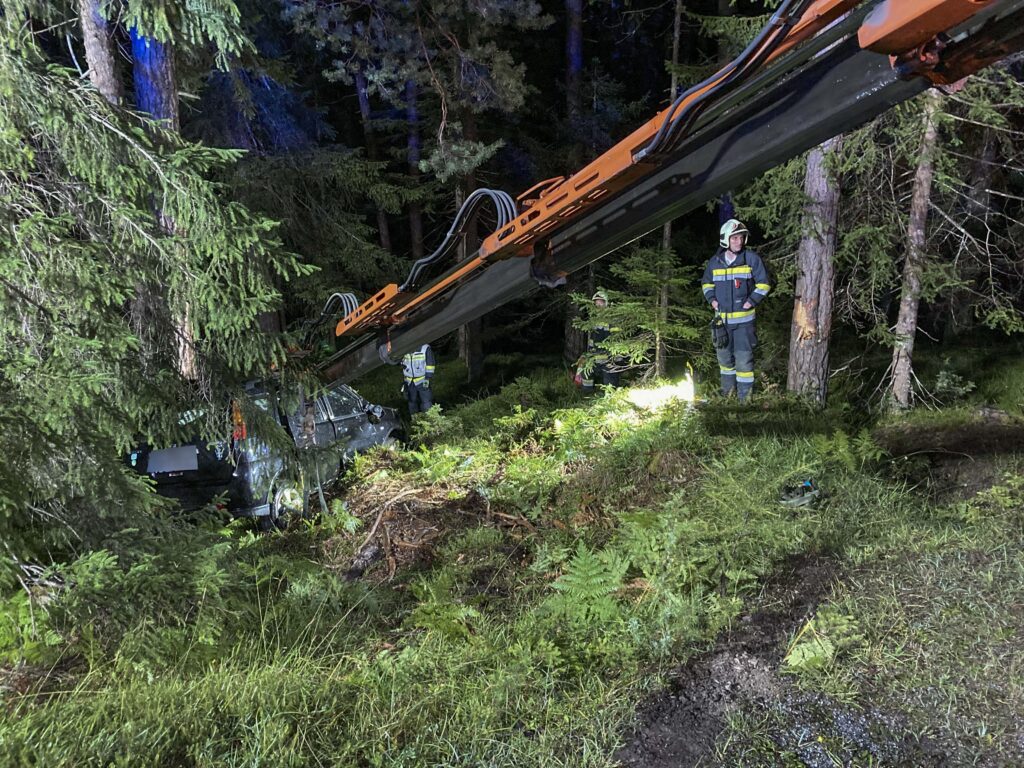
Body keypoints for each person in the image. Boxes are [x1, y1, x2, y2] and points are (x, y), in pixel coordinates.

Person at [701, 219, 771, 402]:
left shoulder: (751, 259)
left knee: (744, 363)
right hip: (721, 324)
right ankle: (728, 399)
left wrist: (751, 302)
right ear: (725, 239)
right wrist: (712, 300)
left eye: (741, 238)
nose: (739, 242)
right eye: (734, 238)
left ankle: (744, 402)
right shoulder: (715, 262)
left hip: (743, 325)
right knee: (725, 363)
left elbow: (764, 284)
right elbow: (706, 284)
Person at [580, 290, 620, 392]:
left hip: (609, 358)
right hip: (595, 356)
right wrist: (587, 355)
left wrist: (613, 359)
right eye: (596, 303)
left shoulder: (613, 319)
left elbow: (617, 340)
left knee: (609, 377)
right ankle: (586, 394)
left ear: (606, 303)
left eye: (600, 303)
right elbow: (591, 341)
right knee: (585, 370)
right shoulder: (594, 320)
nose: (598, 305)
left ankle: (610, 397)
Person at [401, 343, 436, 415]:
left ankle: (429, 418)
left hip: (423, 380)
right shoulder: (403, 348)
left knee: (426, 401)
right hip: (409, 381)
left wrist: (427, 378)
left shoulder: (425, 348)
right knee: (411, 402)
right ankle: (415, 419)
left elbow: (430, 365)